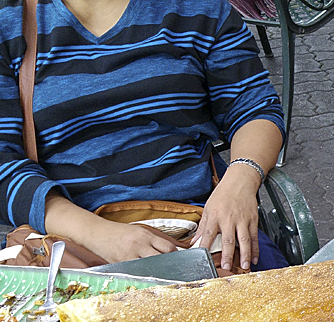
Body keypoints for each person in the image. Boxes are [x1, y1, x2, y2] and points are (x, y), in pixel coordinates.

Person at [0, 0, 287, 271]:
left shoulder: (199, 9)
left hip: (198, 230)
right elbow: (4, 163)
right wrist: (97, 234)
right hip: (68, 243)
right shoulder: (9, 25)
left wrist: (241, 180)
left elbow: (254, 108)